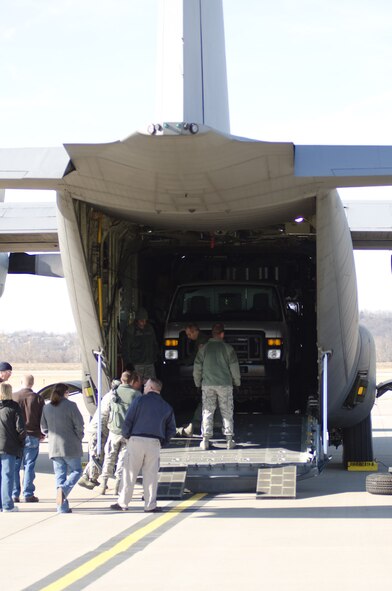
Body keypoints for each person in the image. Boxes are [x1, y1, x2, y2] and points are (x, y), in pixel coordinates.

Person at [110, 377, 176, 513]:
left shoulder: (139, 400)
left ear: (151, 388)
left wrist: (127, 436)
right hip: (154, 443)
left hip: (136, 440)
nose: (143, 387)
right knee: (151, 475)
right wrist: (162, 442)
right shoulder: (166, 406)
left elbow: (128, 419)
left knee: (129, 473)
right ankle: (150, 505)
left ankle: (123, 503)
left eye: (146, 386)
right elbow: (171, 429)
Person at [193, 322, 241, 450]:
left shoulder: (204, 349)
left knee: (207, 411)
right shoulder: (228, 349)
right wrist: (237, 382)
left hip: (208, 384)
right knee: (227, 411)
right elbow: (234, 368)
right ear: (222, 334)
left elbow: (197, 368)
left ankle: (205, 440)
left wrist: (197, 383)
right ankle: (229, 440)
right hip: (225, 385)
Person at [41, 383, 84, 514]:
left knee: (59, 476)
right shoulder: (71, 406)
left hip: (54, 447)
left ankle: (62, 507)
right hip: (70, 446)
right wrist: (79, 436)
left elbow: (44, 428)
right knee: (76, 471)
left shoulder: (47, 408)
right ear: (66, 393)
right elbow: (79, 424)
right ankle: (63, 490)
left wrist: (51, 437)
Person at [98, 371, 142, 495]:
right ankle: (117, 487)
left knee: (109, 457)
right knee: (123, 459)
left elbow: (106, 411)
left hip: (114, 431)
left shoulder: (113, 393)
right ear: (132, 381)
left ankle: (103, 484)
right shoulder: (137, 395)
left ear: (122, 380)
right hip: (128, 433)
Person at [78, 378, 120, 490]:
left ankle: (88, 477)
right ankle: (90, 478)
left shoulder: (109, 395)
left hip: (98, 430)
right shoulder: (113, 398)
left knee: (98, 454)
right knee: (97, 455)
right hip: (98, 431)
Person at [12, 374, 45, 503]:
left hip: (15, 437)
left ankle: (15, 494)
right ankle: (28, 493)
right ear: (32, 383)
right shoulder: (38, 398)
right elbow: (42, 418)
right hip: (33, 435)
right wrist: (42, 433)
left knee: (15, 466)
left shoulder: (14, 397)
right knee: (29, 465)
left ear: (21, 382)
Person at [176, 323, 209, 437]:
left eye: (189, 334)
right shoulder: (201, 340)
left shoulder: (202, 341)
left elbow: (198, 357)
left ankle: (195, 425)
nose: (188, 337)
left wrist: (184, 362)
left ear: (195, 331)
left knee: (206, 400)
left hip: (208, 375)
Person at [0, 382, 26, 512]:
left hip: (5, 445)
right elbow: (20, 429)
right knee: (7, 476)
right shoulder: (14, 407)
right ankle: (7, 505)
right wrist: (21, 443)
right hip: (9, 447)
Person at [121, 307, 158, 380]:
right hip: (136, 364)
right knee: (135, 387)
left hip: (149, 364)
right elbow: (126, 348)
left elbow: (154, 344)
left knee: (151, 386)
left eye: (145, 321)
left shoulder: (150, 329)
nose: (144, 323)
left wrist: (155, 357)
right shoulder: (130, 330)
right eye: (141, 321)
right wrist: (129, 364)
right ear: (137, 320)